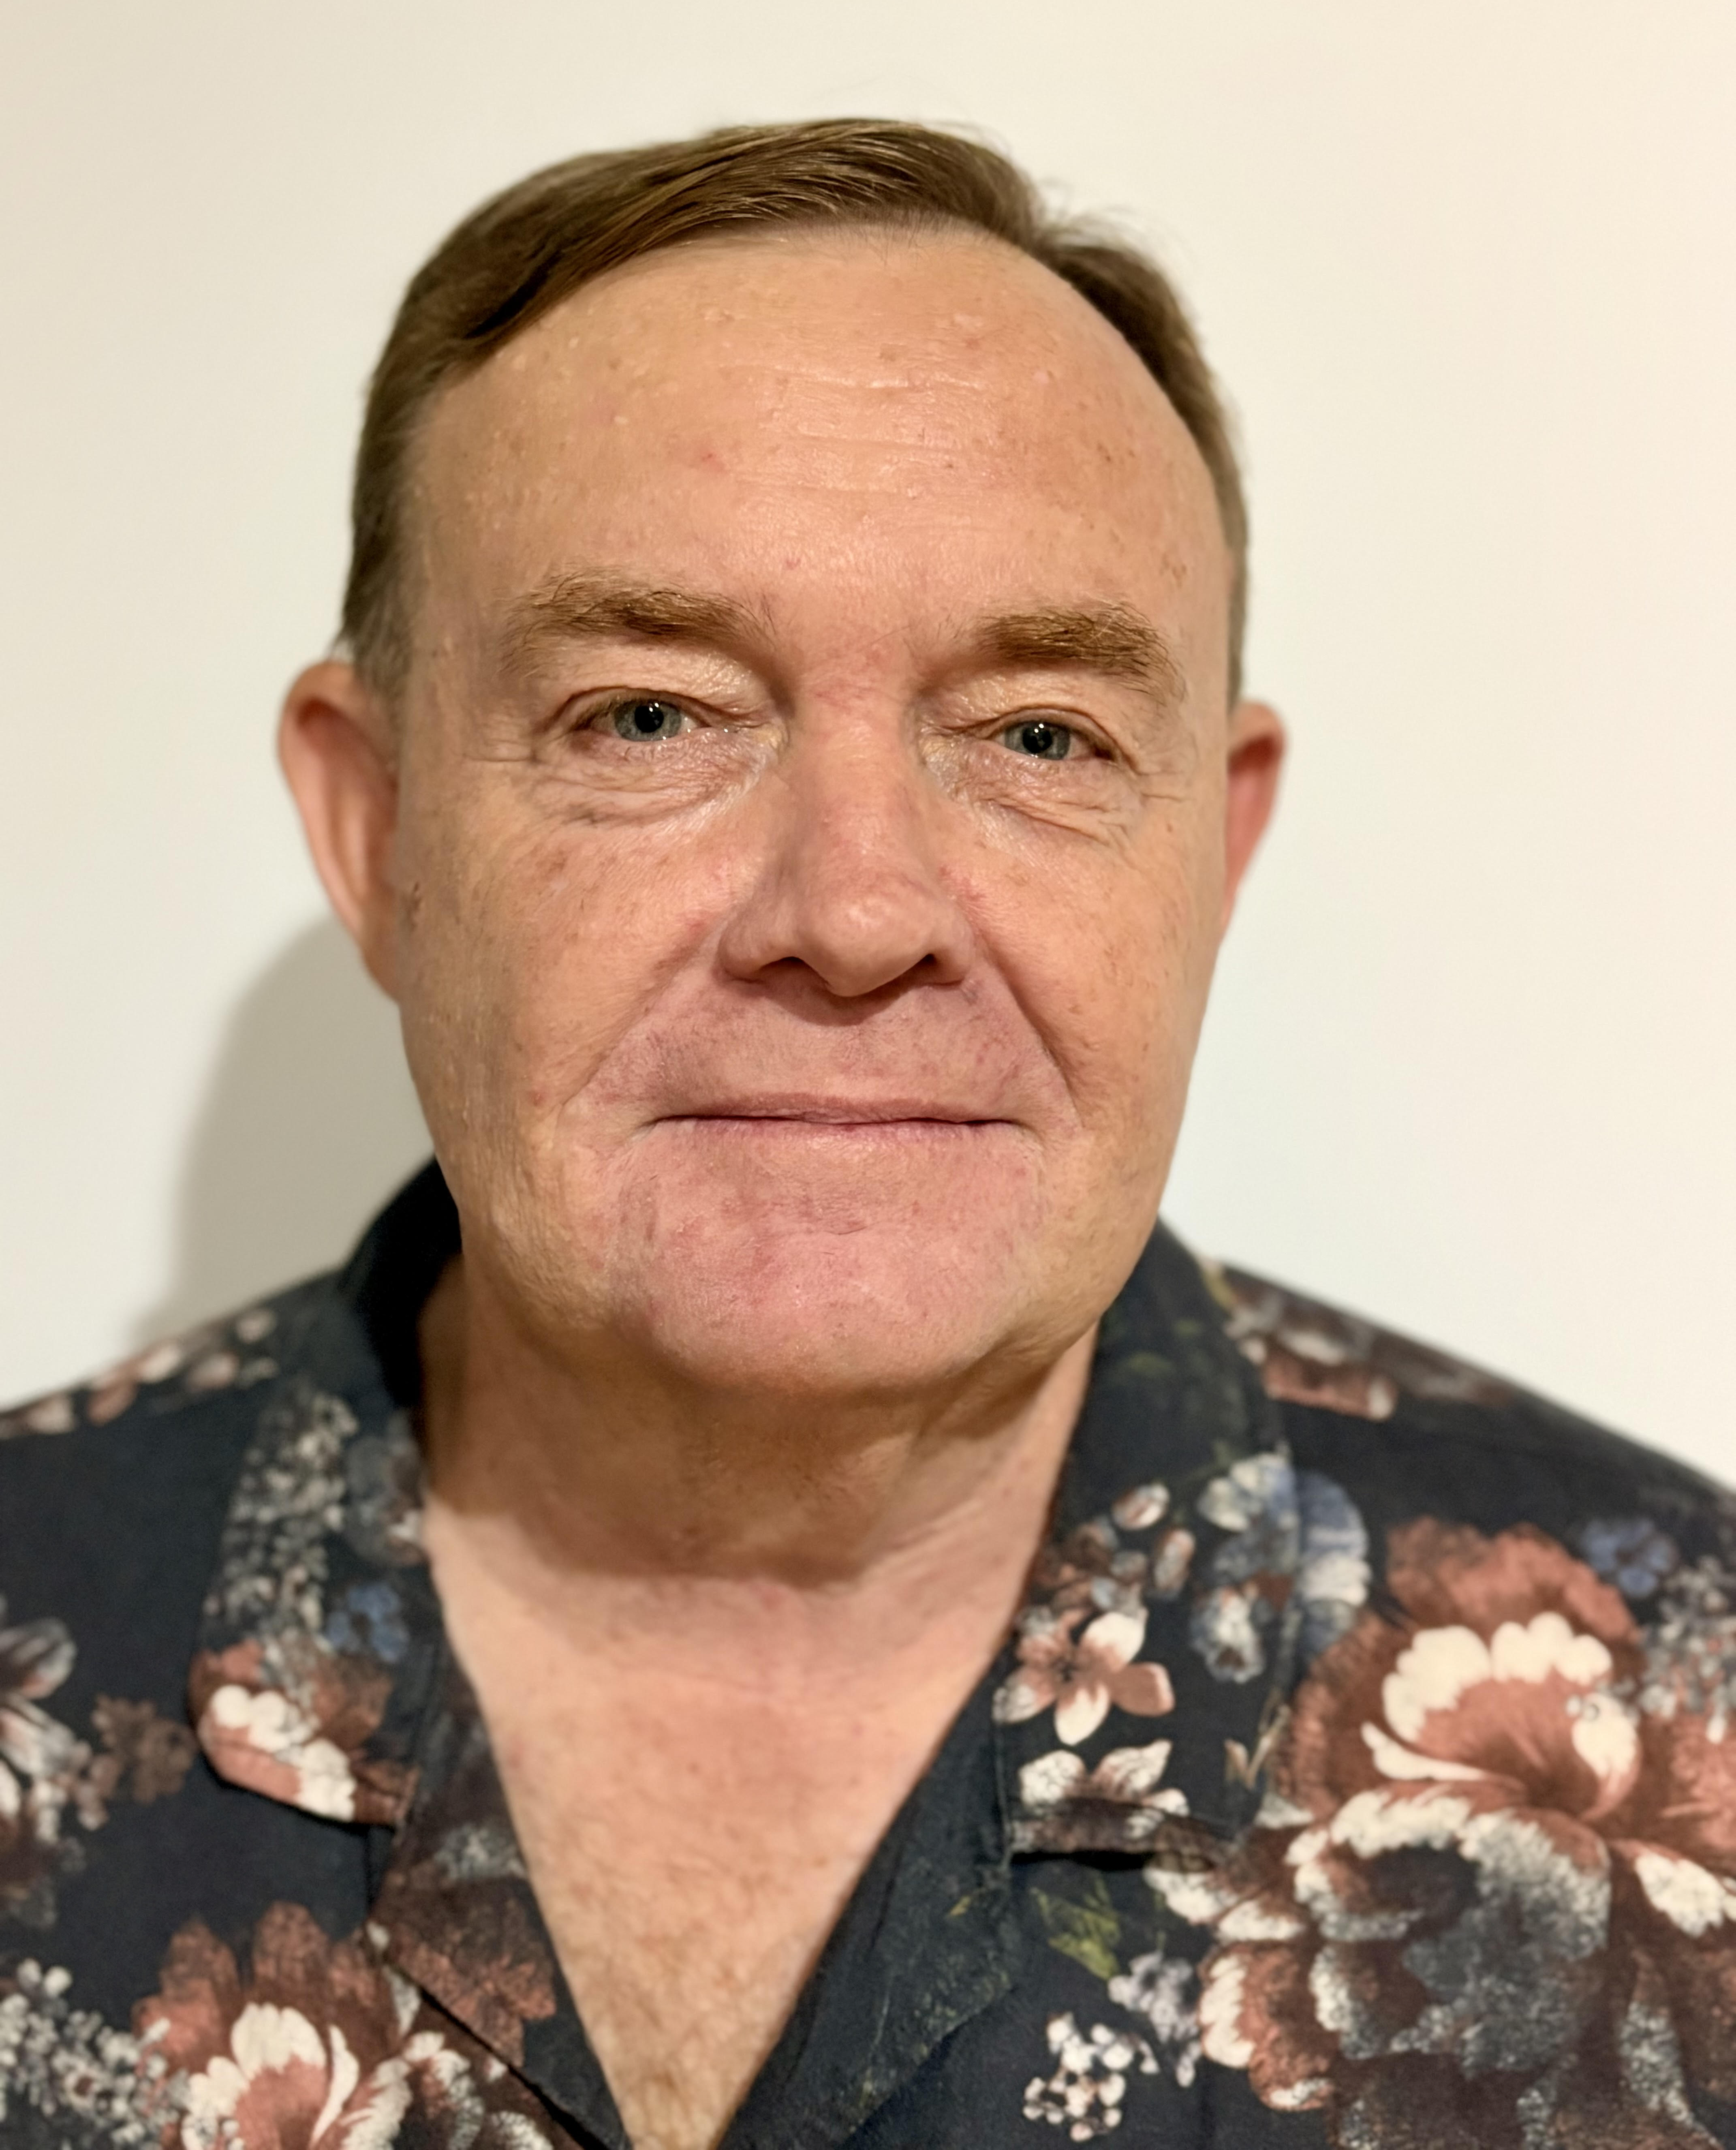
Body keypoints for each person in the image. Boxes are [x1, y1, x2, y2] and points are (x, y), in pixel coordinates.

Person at [1, 121, 1732, 2150]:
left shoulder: (1694, 1731)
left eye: (1039, 738)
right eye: (649, 715)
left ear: (1214, 848)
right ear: (375, 829)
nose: (852, 914)